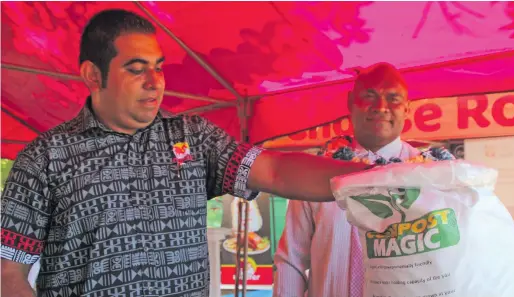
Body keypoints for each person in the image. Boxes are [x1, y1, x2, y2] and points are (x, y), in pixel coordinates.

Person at [0, 9, 371, 297]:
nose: (155, 81)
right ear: (93, 75)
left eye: (158, 67)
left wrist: (373, 181)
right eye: (136, 69)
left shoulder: (190, 137)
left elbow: (274, 171)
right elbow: (8, 274)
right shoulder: (44, 158)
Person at [273, 62, 444, 297]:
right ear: (350, 102)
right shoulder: (316, 172)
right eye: (369, 95)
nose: (381, 107)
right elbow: (291, 260)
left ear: (407, 108)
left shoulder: (433, 175)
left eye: (393, 98)